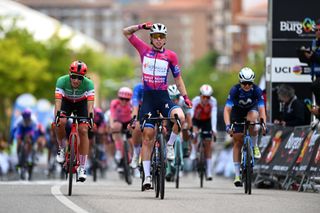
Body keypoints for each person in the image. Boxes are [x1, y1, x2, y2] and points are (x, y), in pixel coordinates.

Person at [123, 22, 192, 189]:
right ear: (151, 38)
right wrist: (141, 26)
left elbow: (178, 79)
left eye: (161, 37)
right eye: (155, 37)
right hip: (148, 100)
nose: (159, 40)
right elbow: (126, 32)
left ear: (165, 39)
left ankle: (169, 146)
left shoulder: (171, 56)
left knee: (180, 117)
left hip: (163, 97)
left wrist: (185, 96)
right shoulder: (144, 50)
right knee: (147, 135)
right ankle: (147, 177)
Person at [223, 67, 266, 187]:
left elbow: (262, 109)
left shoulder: (257, 90)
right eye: (244, 83)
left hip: (251, 110)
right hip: (237, 113)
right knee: (237, 141)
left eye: (249, 83)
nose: (247, 86)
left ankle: (255, 145)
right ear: (240, 82)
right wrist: (227, 126)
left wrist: (263, 124)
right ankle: (237, 175)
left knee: (253, 120)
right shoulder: (234, 90)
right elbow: (227, 110)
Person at [54, 60, 95, 182]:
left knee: (83, 130)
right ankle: (61, 148)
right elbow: (58, 103)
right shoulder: (61, 81)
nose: (76, 80)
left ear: (83, 78)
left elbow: (90, 105)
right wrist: (57, 115)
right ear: (69, 74)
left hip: (81, 104)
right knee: (60, 122)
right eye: (73, 77)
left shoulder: (89, 84)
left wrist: (90, 117)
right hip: (66, 103)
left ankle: (82, 167)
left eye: (79, 78)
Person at [190, 84, 217, 180]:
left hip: (207, 121)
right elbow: (191, 115)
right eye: (204, 97)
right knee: (194, 133)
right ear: (200, 95)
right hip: (196, 120)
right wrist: (191, 127)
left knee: (208, 145)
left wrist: (214, 129)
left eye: (208, 97)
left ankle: (209, 171)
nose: (206, 99)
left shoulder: (213, 102)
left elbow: (214, 115)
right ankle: (193, 150)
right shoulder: (195, 101)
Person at [109, 86, 133, 172]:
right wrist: (112, 125)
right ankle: (119, 150)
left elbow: (135, 115)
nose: (124, 101)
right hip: (118, 121)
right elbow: (111, 115)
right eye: (122, 99)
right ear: (119, 97)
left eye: (126, 99)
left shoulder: (132, 104)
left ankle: (133, 158)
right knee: (116, 127)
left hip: (128, 122)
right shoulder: (114, 103)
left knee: (131, 141)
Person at [303, 19, 320, 106]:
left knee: (315, 86)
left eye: (319, 30)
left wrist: (312, 56)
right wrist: (305, 56)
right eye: (316, 30)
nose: (317, 32)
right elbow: (311, 58)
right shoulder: (314, 42)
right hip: (316, 74)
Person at [129, 82, 144, 169]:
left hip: (154, 108)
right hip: (140, 109)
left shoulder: (158, 86)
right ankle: (136, 152)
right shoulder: (139, 88)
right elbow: (135, 106)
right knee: (137, 127)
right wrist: (134, 120)